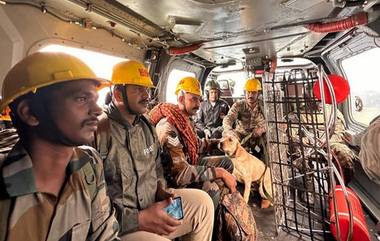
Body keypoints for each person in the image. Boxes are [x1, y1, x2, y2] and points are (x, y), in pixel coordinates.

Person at [0, 52, 119, 240]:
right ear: (29, 112)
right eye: (81, 98)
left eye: (95, 99)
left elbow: (105, 235)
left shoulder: (89, 163)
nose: (97, 110)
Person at [93, 61, 214, 241]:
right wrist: (140, 219)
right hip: (123, 228)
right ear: (118, 94)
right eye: (139, 89)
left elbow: (157, 168)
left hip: (154, 208)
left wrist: (161, 190)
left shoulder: (147, 126)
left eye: (147, 89)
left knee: (203, 204)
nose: (147, 95)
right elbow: (93, 213)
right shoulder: (99, 133)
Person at [149, 76, 237, 207]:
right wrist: (219, 173)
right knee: (211, 190)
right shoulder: (168, 128)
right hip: (174, 180)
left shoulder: (185, 119)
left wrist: (219, 142)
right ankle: (211, 220)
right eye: (193, 99)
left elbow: (197, 145)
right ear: (180, 98)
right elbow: (180, 174)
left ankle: (223, 203)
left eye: (199, 99)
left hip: (190, 161)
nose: (198, 104)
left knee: (226, 162)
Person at [223, 78, 266, 157]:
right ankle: (230, 165)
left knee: (269, 140)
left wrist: (262, 129)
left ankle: (267, 165)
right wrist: (229, 131)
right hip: (241, 135)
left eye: (253, 92)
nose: (250, 95)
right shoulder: (239, 105)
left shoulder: (264, 106)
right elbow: (229, 118)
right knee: (229, 140)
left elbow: (273, 122)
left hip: (258, 137)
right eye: (248, 92)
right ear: (244, 93)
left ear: (258, 93)